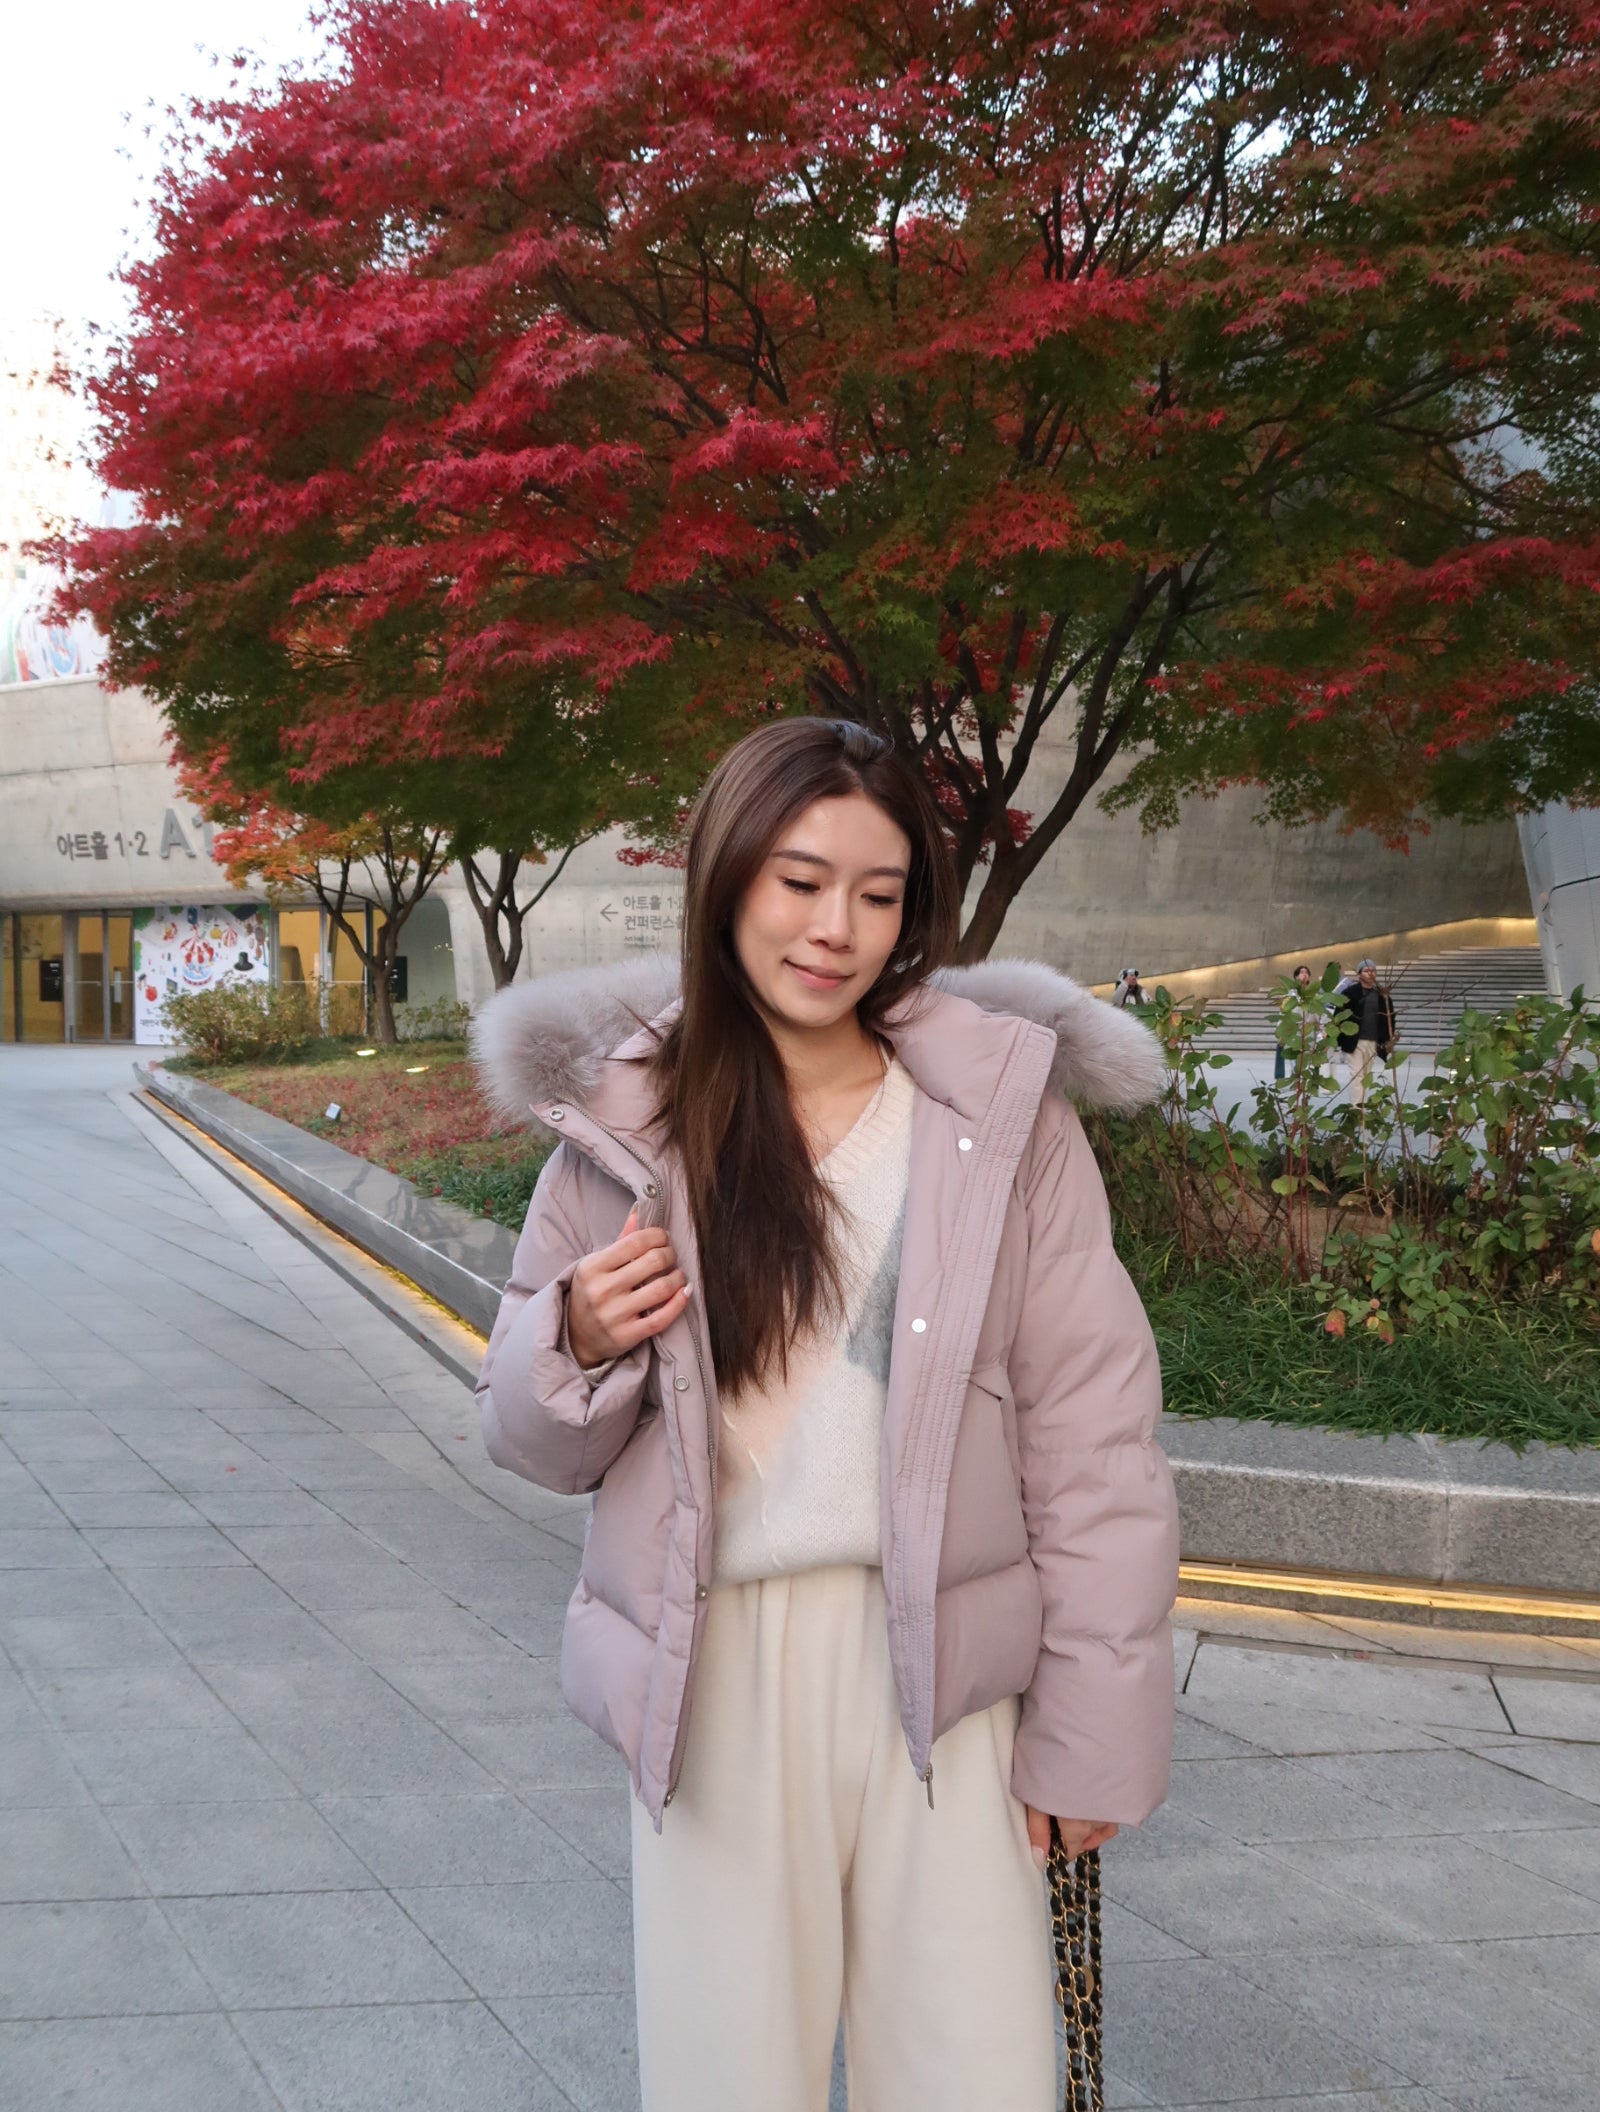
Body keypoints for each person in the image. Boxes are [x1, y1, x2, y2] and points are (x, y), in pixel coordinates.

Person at [473, 718, 1179, 2112]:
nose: (835, 928)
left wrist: (1093, 1730)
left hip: (950, 1675)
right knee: (729, 2078)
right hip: (715, 1674)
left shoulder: (1001, 1116)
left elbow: (1094, 1440)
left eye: (878, 892)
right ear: (727, 878)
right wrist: (574, 1337)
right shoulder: (625, 1126)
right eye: (799, 881)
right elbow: (530, 1441)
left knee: (976, 2076)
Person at [1335, 957, 1397, 1105]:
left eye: (1373, 971)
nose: (1370, 973)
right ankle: (1356, 1109)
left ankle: (1361, 1107)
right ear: (1359, 974)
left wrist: (1389, 1039)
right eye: (1366, 971)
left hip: (1373, 1041)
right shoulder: (1350, 993)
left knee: (1366, 1076)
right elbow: (1339, 1015)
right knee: (1357, 1075)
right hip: (1355, 1041)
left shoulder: (1382, 996)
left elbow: (1390, 1018)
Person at [1274, 963, 1314, 1081]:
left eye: (1307, 972)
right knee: (1295, 1061)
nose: (1305, 975)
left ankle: (1304, 1083)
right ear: (1296, 977)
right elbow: (1283, 1014)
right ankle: (1297, 1083)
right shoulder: (1289, 996)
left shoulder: (1314, 994)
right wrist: (1281, 1033)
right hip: (1294, 1031)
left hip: (1309, 1031)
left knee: (1307, 1062)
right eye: (1302, 972)